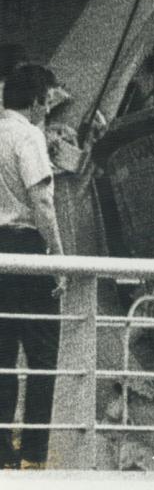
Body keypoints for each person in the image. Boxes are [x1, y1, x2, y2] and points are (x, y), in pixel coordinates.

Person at [0, 62, 63, 468]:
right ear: (37, 100)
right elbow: (41, 201)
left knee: (1, 356)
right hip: (26, 245)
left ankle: (1, 452)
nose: (48, 108)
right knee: (42, 354)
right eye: (48, 100)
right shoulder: (29, 136)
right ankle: (34, 454)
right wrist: (57, 257)